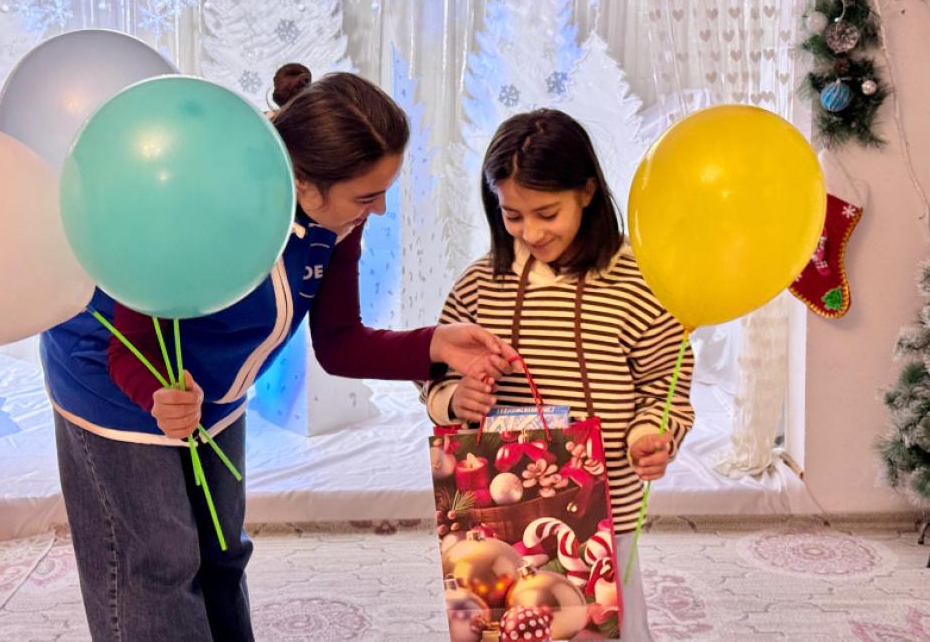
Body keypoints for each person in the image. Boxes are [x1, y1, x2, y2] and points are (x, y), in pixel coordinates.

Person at [41, 72, 513, 641]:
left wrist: (434, 343)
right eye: (367, 196)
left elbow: (339, 342)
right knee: (159, 560)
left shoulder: (338, 224)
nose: (381, 209)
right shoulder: (200, 205)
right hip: (113, 374)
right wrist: (156, 397)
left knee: (222, 551)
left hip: (213, 388)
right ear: (304, 185)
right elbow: (133, 343)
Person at [421, 108, 695, 641]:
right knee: (505, 623)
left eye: (547, 213)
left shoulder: (639, 281)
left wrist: (651, 435)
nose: (532, 232)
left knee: (609, 622)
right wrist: (454, 400)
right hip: (497, 510)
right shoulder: (479, 285)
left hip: (606, 503)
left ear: (587, 191)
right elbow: (433, 373)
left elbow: (666, 386)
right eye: (513, 215)